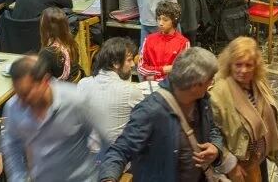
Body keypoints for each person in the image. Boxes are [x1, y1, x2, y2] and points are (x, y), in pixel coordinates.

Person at [99, 47, 235, 182]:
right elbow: (120, 151)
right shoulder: (151, 111)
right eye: (210, 79)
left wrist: (216, 148)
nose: (212, 83)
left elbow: (212, 129)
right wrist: (108, 179)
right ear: (196, 85)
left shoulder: (202, 101)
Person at [2, 56, 109, 181]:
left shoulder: (75, 100)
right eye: (18, 94)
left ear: (45, 81)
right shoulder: (13, 107)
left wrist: (103, 173)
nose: (21, 102)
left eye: (26, 94)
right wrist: (18, 178)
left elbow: (105, 138)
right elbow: (12, 146)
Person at [210, 37, 278, 181]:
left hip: (258, 157)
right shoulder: (218, 93)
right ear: (230, 64)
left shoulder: (256, 81)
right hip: (240, 163)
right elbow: (213, 133)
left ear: (256, 66)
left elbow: (260, 106)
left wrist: (276, 116)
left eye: (249, 65)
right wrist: (230, 165)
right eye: (238, 64)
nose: (243, 70)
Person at [77, 37, 143, 153]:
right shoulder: (130, 91)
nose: (133, 64)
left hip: (86, 155)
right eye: (129, 60)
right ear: (115, 63)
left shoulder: (83, 84)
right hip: (115, 160)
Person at [138, 1, 189, 81]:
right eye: (158, 19)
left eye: (165, 20)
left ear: (174, 21)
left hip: (172, 87)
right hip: (151, 87)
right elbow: (141, 68)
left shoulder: (184, 42)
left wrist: (154, 76)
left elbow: (183, 71)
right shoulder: (149, 39)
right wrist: (164, 70)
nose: (160, 23)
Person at [38, 6, 81, 81]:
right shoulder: (72, 45)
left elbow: (40, 80)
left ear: (44, 27)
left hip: (59, 90)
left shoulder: (47, 53)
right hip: (72, 85)